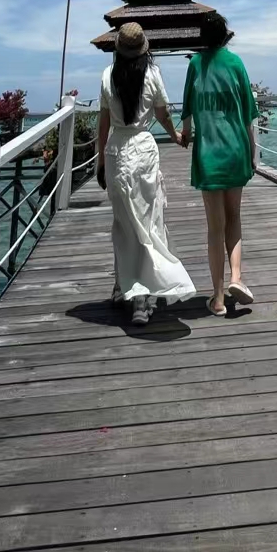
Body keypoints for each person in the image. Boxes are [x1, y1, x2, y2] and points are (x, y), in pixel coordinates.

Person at [96, 22, 195, 326]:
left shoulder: (106, 77)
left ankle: (121, 286)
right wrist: (176, 134)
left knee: (123, 222)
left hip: (116, 150)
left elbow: (103, 122)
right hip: (143, 149)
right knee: (147, 222)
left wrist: (100, 160)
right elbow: (163, 113)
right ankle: (141, 299)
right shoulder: (152, 75)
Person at [180, 13, 259, 316]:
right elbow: (249, 114)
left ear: (202, 37)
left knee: (215, 227)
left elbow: (187, 109)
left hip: (208, 154)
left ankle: (217, 298)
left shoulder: (195, 65)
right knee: (234, 218)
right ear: (225, 35)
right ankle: (237, 278)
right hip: (236, 149)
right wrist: (252, 152)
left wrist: (185, 134)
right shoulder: (236, 63)